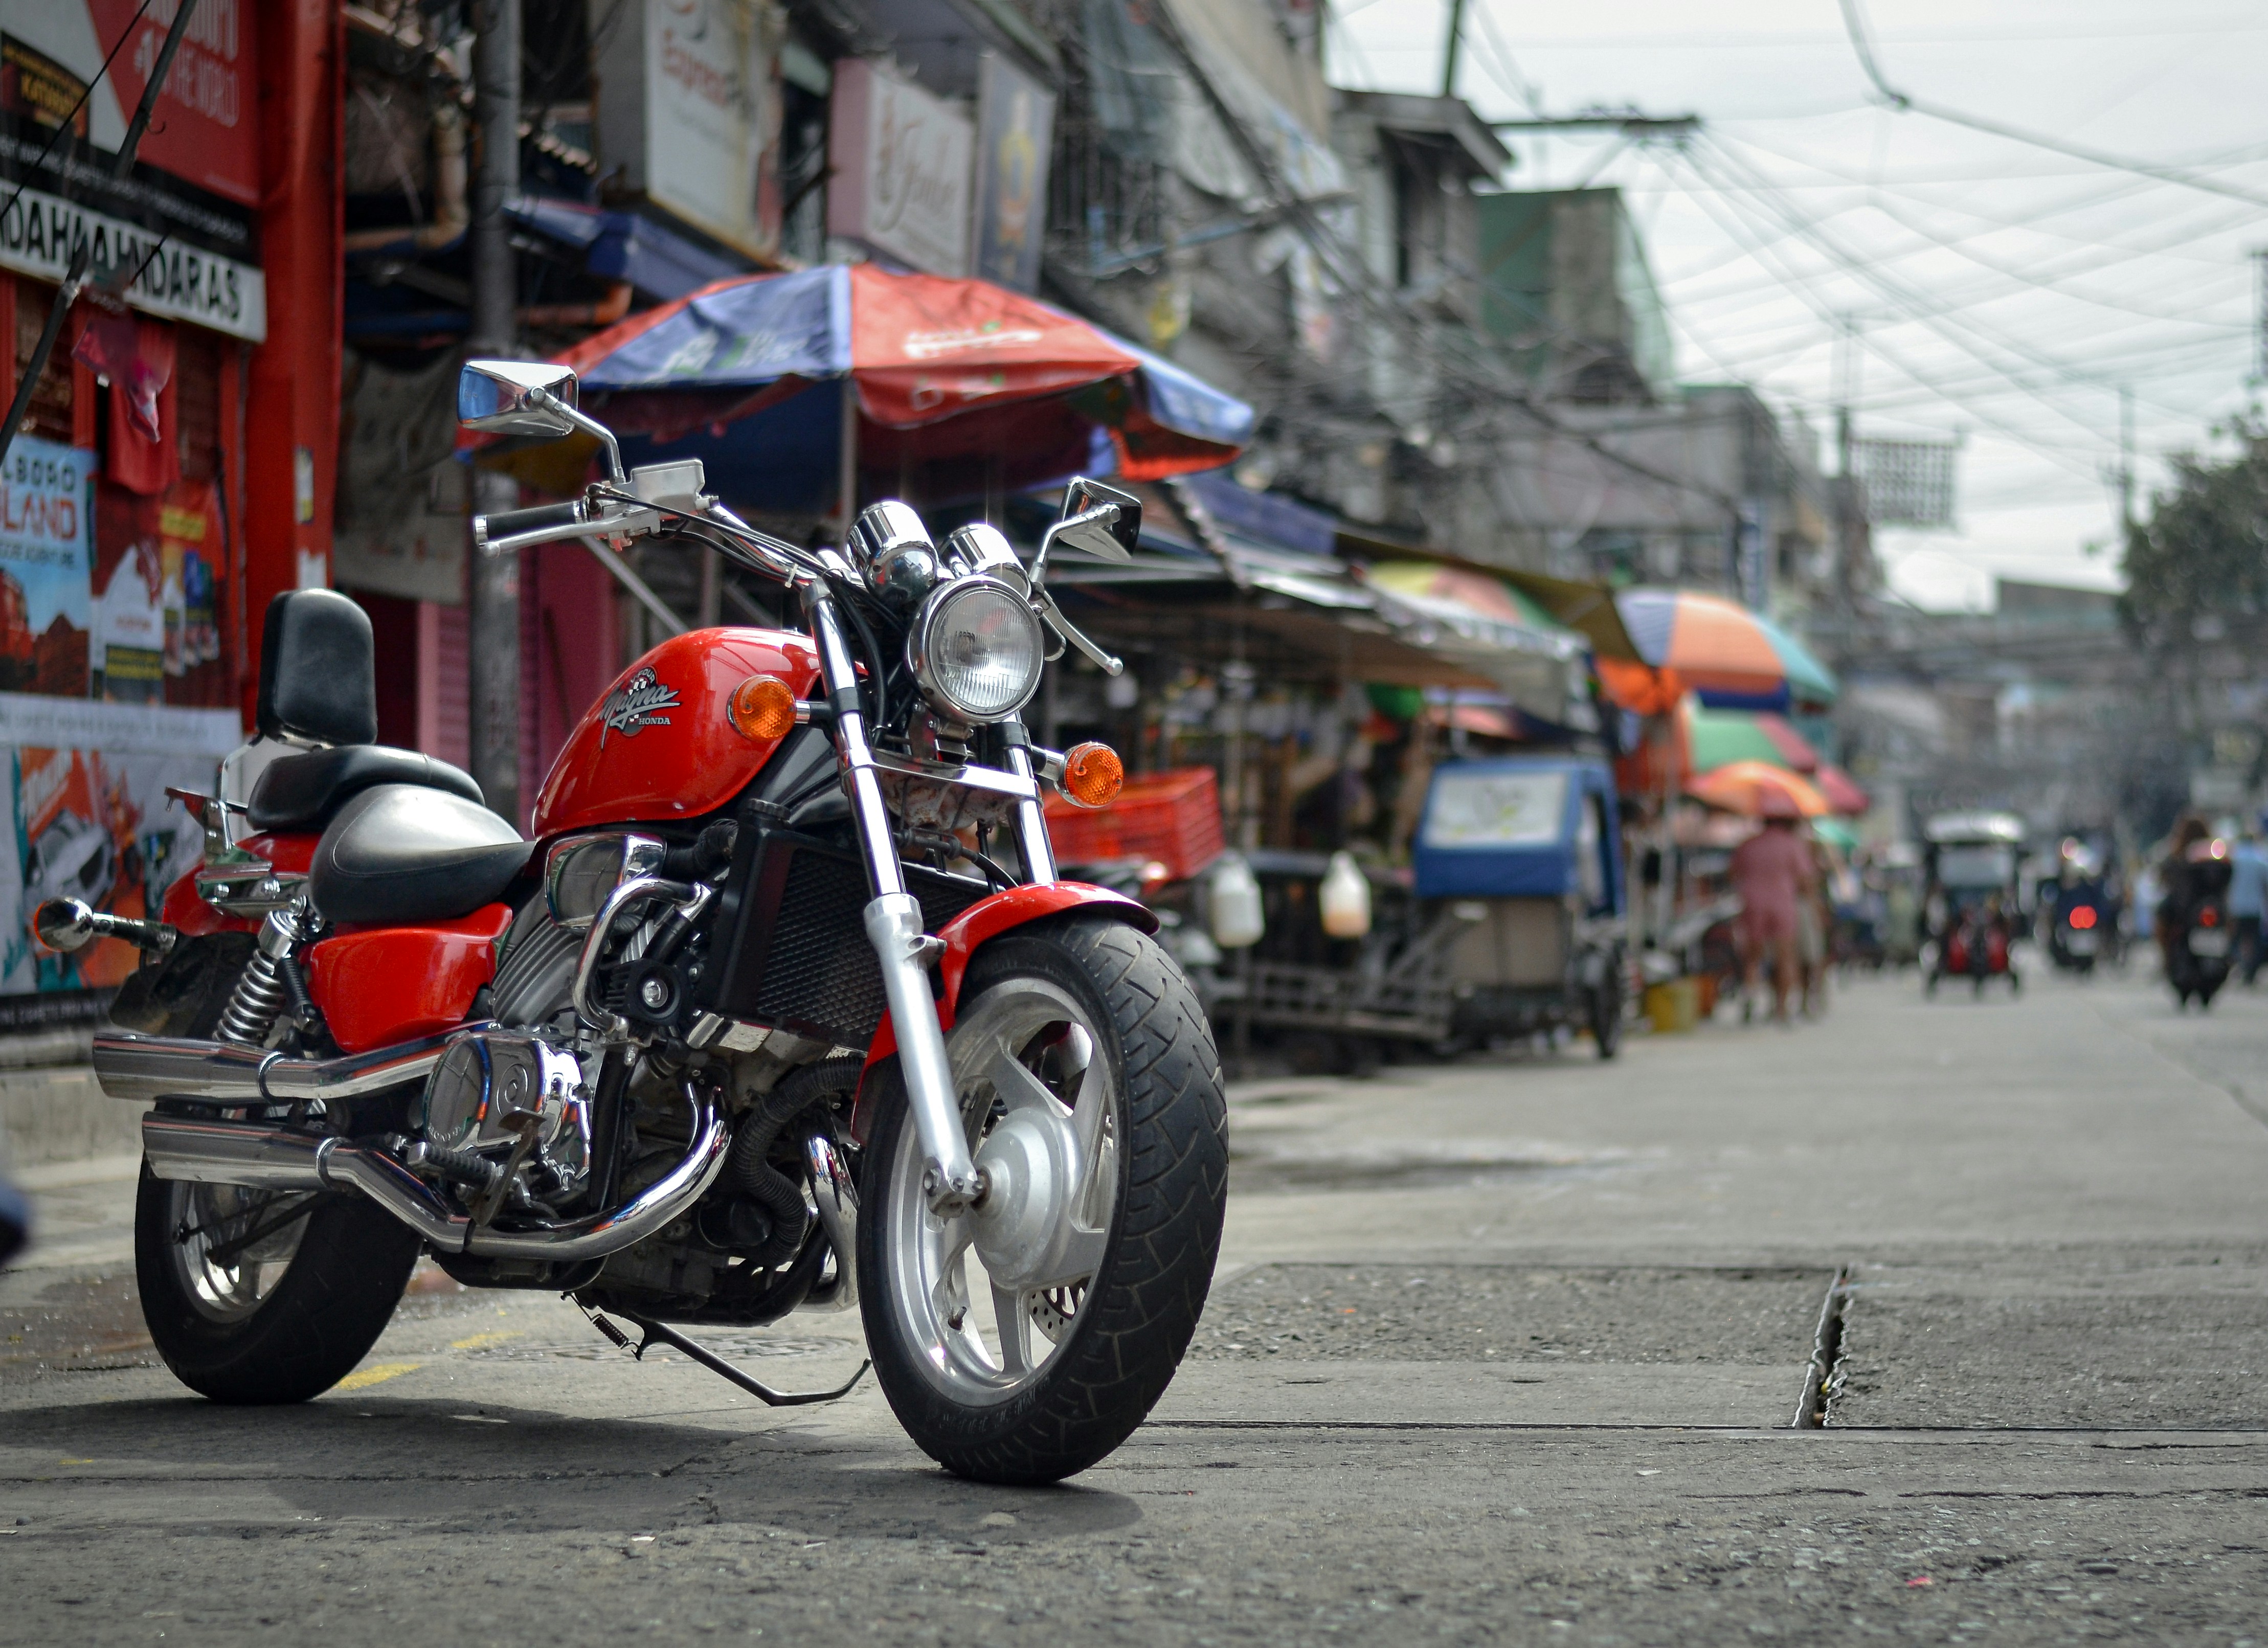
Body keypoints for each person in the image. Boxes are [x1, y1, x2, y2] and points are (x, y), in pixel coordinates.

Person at [1731, 810, 1818, 1025]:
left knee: (1753, 958)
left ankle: (1750, 998)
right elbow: (1806, 880)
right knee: (1786, 958)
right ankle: (1782, 1009)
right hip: (1783, 904)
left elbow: (1733, 874)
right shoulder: (1792, 844)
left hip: (1753, 903)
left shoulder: (1748, 845)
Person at [2229, 820, 2267, 984]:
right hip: (2255, 907)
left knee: (2236, 939)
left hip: (2235, 906)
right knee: (2253, 940)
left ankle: (2239, 966)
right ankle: (2250, 971)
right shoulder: (2260, 859)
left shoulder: (2233, 858)